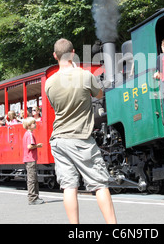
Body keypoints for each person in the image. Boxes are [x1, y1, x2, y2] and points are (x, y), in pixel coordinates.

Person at [45, 38, 117, 224]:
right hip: (81, 139)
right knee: (100, 185)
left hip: (59, 140)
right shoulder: (84, 76)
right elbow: (99, 94)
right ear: (73, 53)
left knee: (69, 187)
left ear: (55, 56)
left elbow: (55, 106)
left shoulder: (49, 83)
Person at [22, 117, 44, 205]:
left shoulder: (26, 134)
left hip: (28, 158)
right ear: (29, 126)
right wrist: (38, 146)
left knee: (32, 178)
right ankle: (33, 198)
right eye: (33, 123)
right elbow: (29, 146)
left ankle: (35, 197)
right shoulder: (30, 134)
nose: (35, 124)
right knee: (32, 179)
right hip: (31, 158)